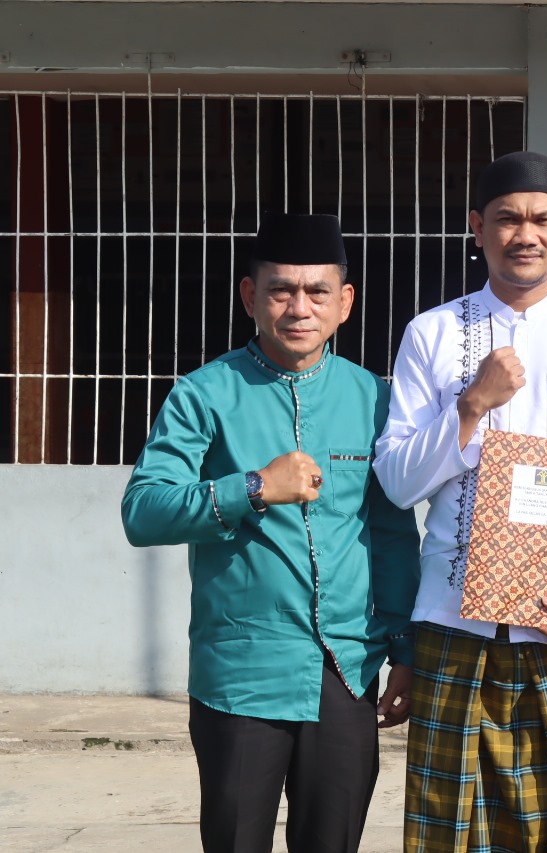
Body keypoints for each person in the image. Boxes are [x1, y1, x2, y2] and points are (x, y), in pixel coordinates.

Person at [372, 151, 547, 852]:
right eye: (507, 219)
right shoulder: (433, 333)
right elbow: (398, 481)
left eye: (542, 219)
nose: (525, 234)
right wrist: (470, 405)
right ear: (477, 228)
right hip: (455, 618)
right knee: (451, 828)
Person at [120, 213, 422, 853]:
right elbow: (143, 511)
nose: (298, 308)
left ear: (345, 302)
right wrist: (253, 487)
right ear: (249, 295)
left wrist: (405, 647)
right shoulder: (204, 394)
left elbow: (392, 532)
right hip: (242, 671)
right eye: (281, 290)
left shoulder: (373, 398)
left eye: (317, 292)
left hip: (345, 668)